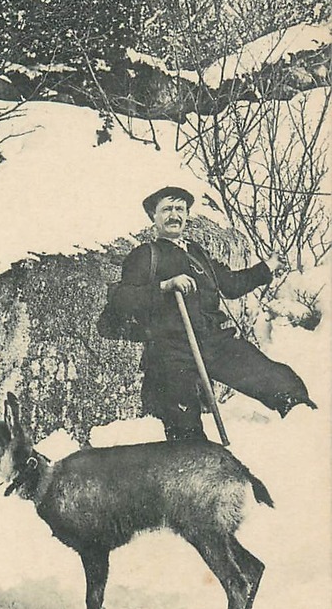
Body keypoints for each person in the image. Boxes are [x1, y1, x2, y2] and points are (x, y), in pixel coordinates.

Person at [114, 185, 315, 442]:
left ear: (187, 215)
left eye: (180, 209)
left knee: (282, 384)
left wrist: (268, 267)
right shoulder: (144, 255)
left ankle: (306, 440)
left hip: (213, 342)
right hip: (170, 352)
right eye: (166, 209)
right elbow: (123, 300)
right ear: (153, 215)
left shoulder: (196, 253)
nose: (174, 215)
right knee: (185, 432)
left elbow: (230, 284)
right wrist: (165, 286)